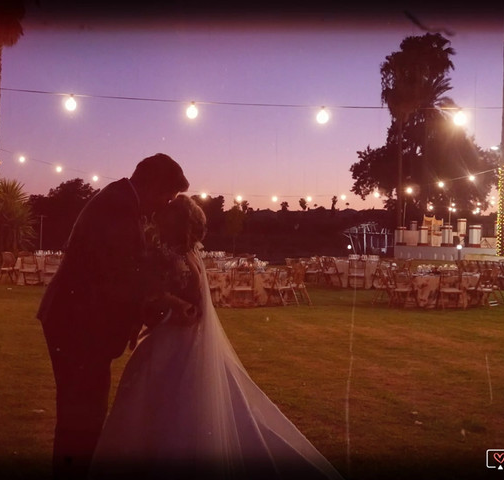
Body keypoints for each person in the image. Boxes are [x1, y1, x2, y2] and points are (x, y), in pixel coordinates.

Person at [91, 195, 345, 480]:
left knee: (166, 404)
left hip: (176, 339)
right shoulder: (183, 254)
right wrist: (173, 304)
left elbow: (173, 296)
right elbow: (165, 296)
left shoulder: (176, 255)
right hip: (177, 335)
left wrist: (174, 304)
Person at [37, 153, 190, 480]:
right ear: (152, 184)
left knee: (81, 417)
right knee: (82, 419)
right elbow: (120, 277)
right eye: (168, 196)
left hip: (76, 323)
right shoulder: (118, 206)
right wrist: (166, 302)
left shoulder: (121, 201)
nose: (166, 204)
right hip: (78, 327)